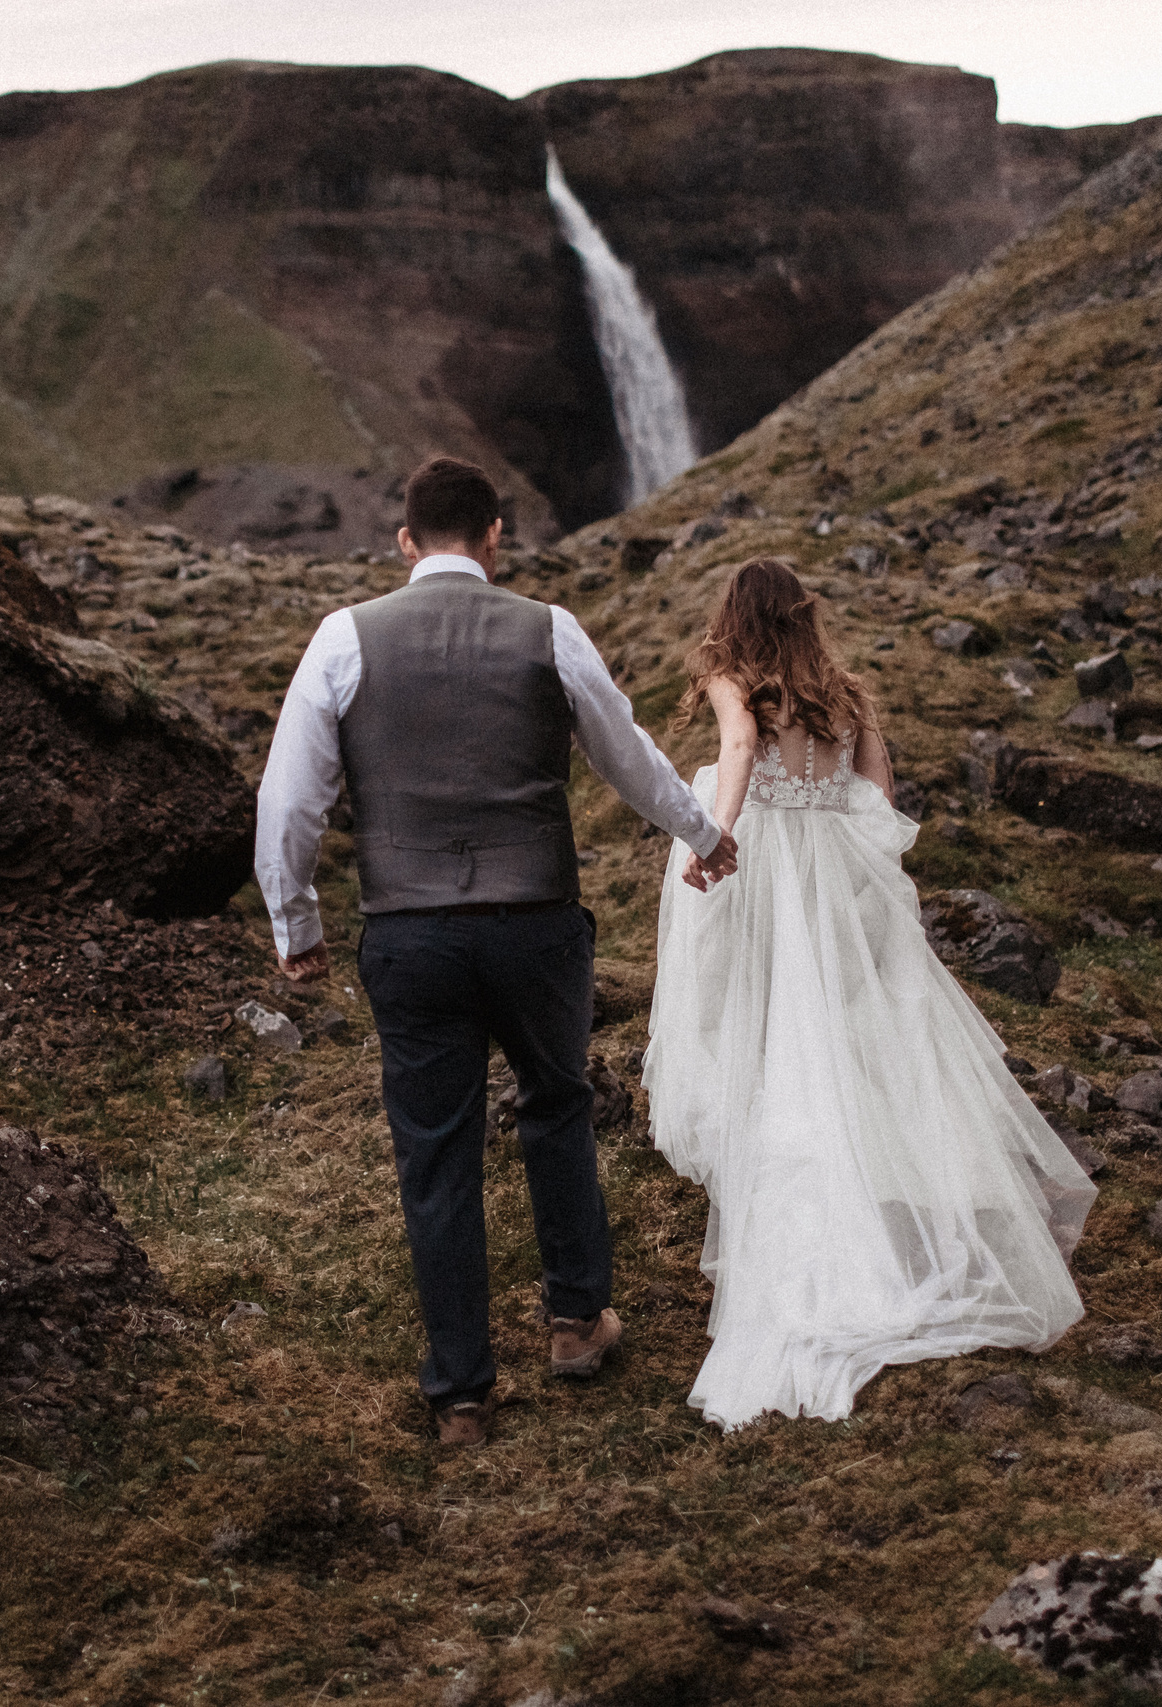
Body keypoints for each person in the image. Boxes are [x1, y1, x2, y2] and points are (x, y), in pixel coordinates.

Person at [256, 455, 736, 1446]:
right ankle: (573, 1320)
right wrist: (702, 832)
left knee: (434, 1154)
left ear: (403, 542)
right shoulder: (545, 629)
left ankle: (461, 1394)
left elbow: (289, 801)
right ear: (495, 536)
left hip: (408, 931)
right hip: (534, 925)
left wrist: (295, 926)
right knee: (556, 1106)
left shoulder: (342, 639)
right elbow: (625, 753)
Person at [644, 557, 1093, 1430]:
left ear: (736, 619)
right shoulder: (845, 693)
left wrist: (715, 836)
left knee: (765, 1031)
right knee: (832, 1040)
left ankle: (798, 1230)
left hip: (763, 870)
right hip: (828, 879)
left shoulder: (740, 682)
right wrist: (854, 876)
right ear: (805, 618)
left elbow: (737, 751)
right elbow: (879, 796)